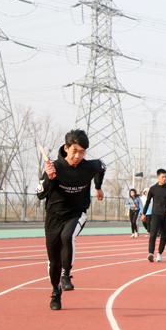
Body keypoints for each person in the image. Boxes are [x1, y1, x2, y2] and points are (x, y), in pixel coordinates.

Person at [35, 129, 106, 310]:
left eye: (82, 152)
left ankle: (66, 274)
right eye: (75, 151)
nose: (78, 156)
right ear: (66, 149)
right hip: (53, 217)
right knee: (53, 262)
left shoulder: (89, 167)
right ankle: (55, 290)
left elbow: (101, 167)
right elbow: (40, 194)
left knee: (68, 236)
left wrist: (98, 187)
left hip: (76, 213)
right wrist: (49, 178)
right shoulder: (54, 167)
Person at [142, 169, 166, 263]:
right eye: (162, 177)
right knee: (153, 234)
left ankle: (159, 253)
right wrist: (144, 213)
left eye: (165, 177)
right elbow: (148, 201)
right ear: (158, 177)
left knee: (164, 235)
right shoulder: (153, 189)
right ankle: (151, 253)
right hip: (156, 214)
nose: (164, 178)